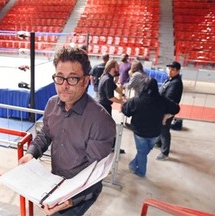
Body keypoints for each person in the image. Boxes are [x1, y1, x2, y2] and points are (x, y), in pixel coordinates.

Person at [19, 47, 116, 216]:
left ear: (85, 81)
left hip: (80, 193)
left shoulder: (101, 121)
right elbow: (45, 134)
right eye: (59, 77)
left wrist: (70, 200)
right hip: (54, 182)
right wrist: (31, 153)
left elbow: (95, 173)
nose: (64, 86)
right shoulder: (51, 103)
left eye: (72, 78)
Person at [122, 78, 180, 177]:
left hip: (140, 131)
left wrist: (126, 103)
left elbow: (126, 111)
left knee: (142, 152)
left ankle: (141, 172)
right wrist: (166, 115)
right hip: (156, 132)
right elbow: (176, 108)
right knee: (144, 151)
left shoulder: (136, 100)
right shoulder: (162, 100)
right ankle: (133, 165)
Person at [155, 61, 183, 160]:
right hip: (164, 109)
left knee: (164, 130)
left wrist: (166, 115)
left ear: (178, 71)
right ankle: (158, 142)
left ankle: (165, 152)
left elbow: (169, 99)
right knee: (161, 128)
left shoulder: (176, 83)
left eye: (173, 69)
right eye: (169, 69)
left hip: (167, 111)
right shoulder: (170, 80)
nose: (170, 71)